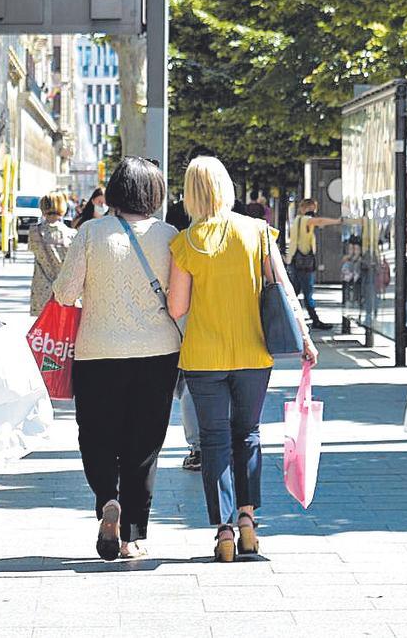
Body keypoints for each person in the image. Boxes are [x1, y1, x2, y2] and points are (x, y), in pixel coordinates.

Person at [167, 156, 317, 563]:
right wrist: (304, 336)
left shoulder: (186, 242)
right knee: (247, 433)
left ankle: (225, 531)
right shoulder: (257, 232)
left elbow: (177, 307)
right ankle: (249, 522)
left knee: (214, 440)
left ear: (190, 194)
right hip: (253, 353)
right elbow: (284, 288)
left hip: (203, 356)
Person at [54, 157, 181, 561]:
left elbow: (63, 293)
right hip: (157, 353)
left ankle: (108, 500)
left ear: (115, 191)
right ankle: (133, 536)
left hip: (97, 352)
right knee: (144, 445)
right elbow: (179, 302)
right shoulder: (169, 236)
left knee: (96, 435)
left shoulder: (91, 233)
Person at [286, 198, 343, 331]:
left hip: (296, 261)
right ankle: (314, 320)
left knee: (295, 292)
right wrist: (337, 221)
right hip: (303, 263)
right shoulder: (304, 220)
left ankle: (287, 317)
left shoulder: (298, 220)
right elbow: (319, 221)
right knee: (307, 292)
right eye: (311, 209)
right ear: (304, 209)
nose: (313, 212)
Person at [27, 192, 76, 316]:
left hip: (41, 288)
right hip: (65, 288)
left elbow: (32, 249)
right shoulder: (71, 234)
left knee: (45, 331)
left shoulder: (34, 232)